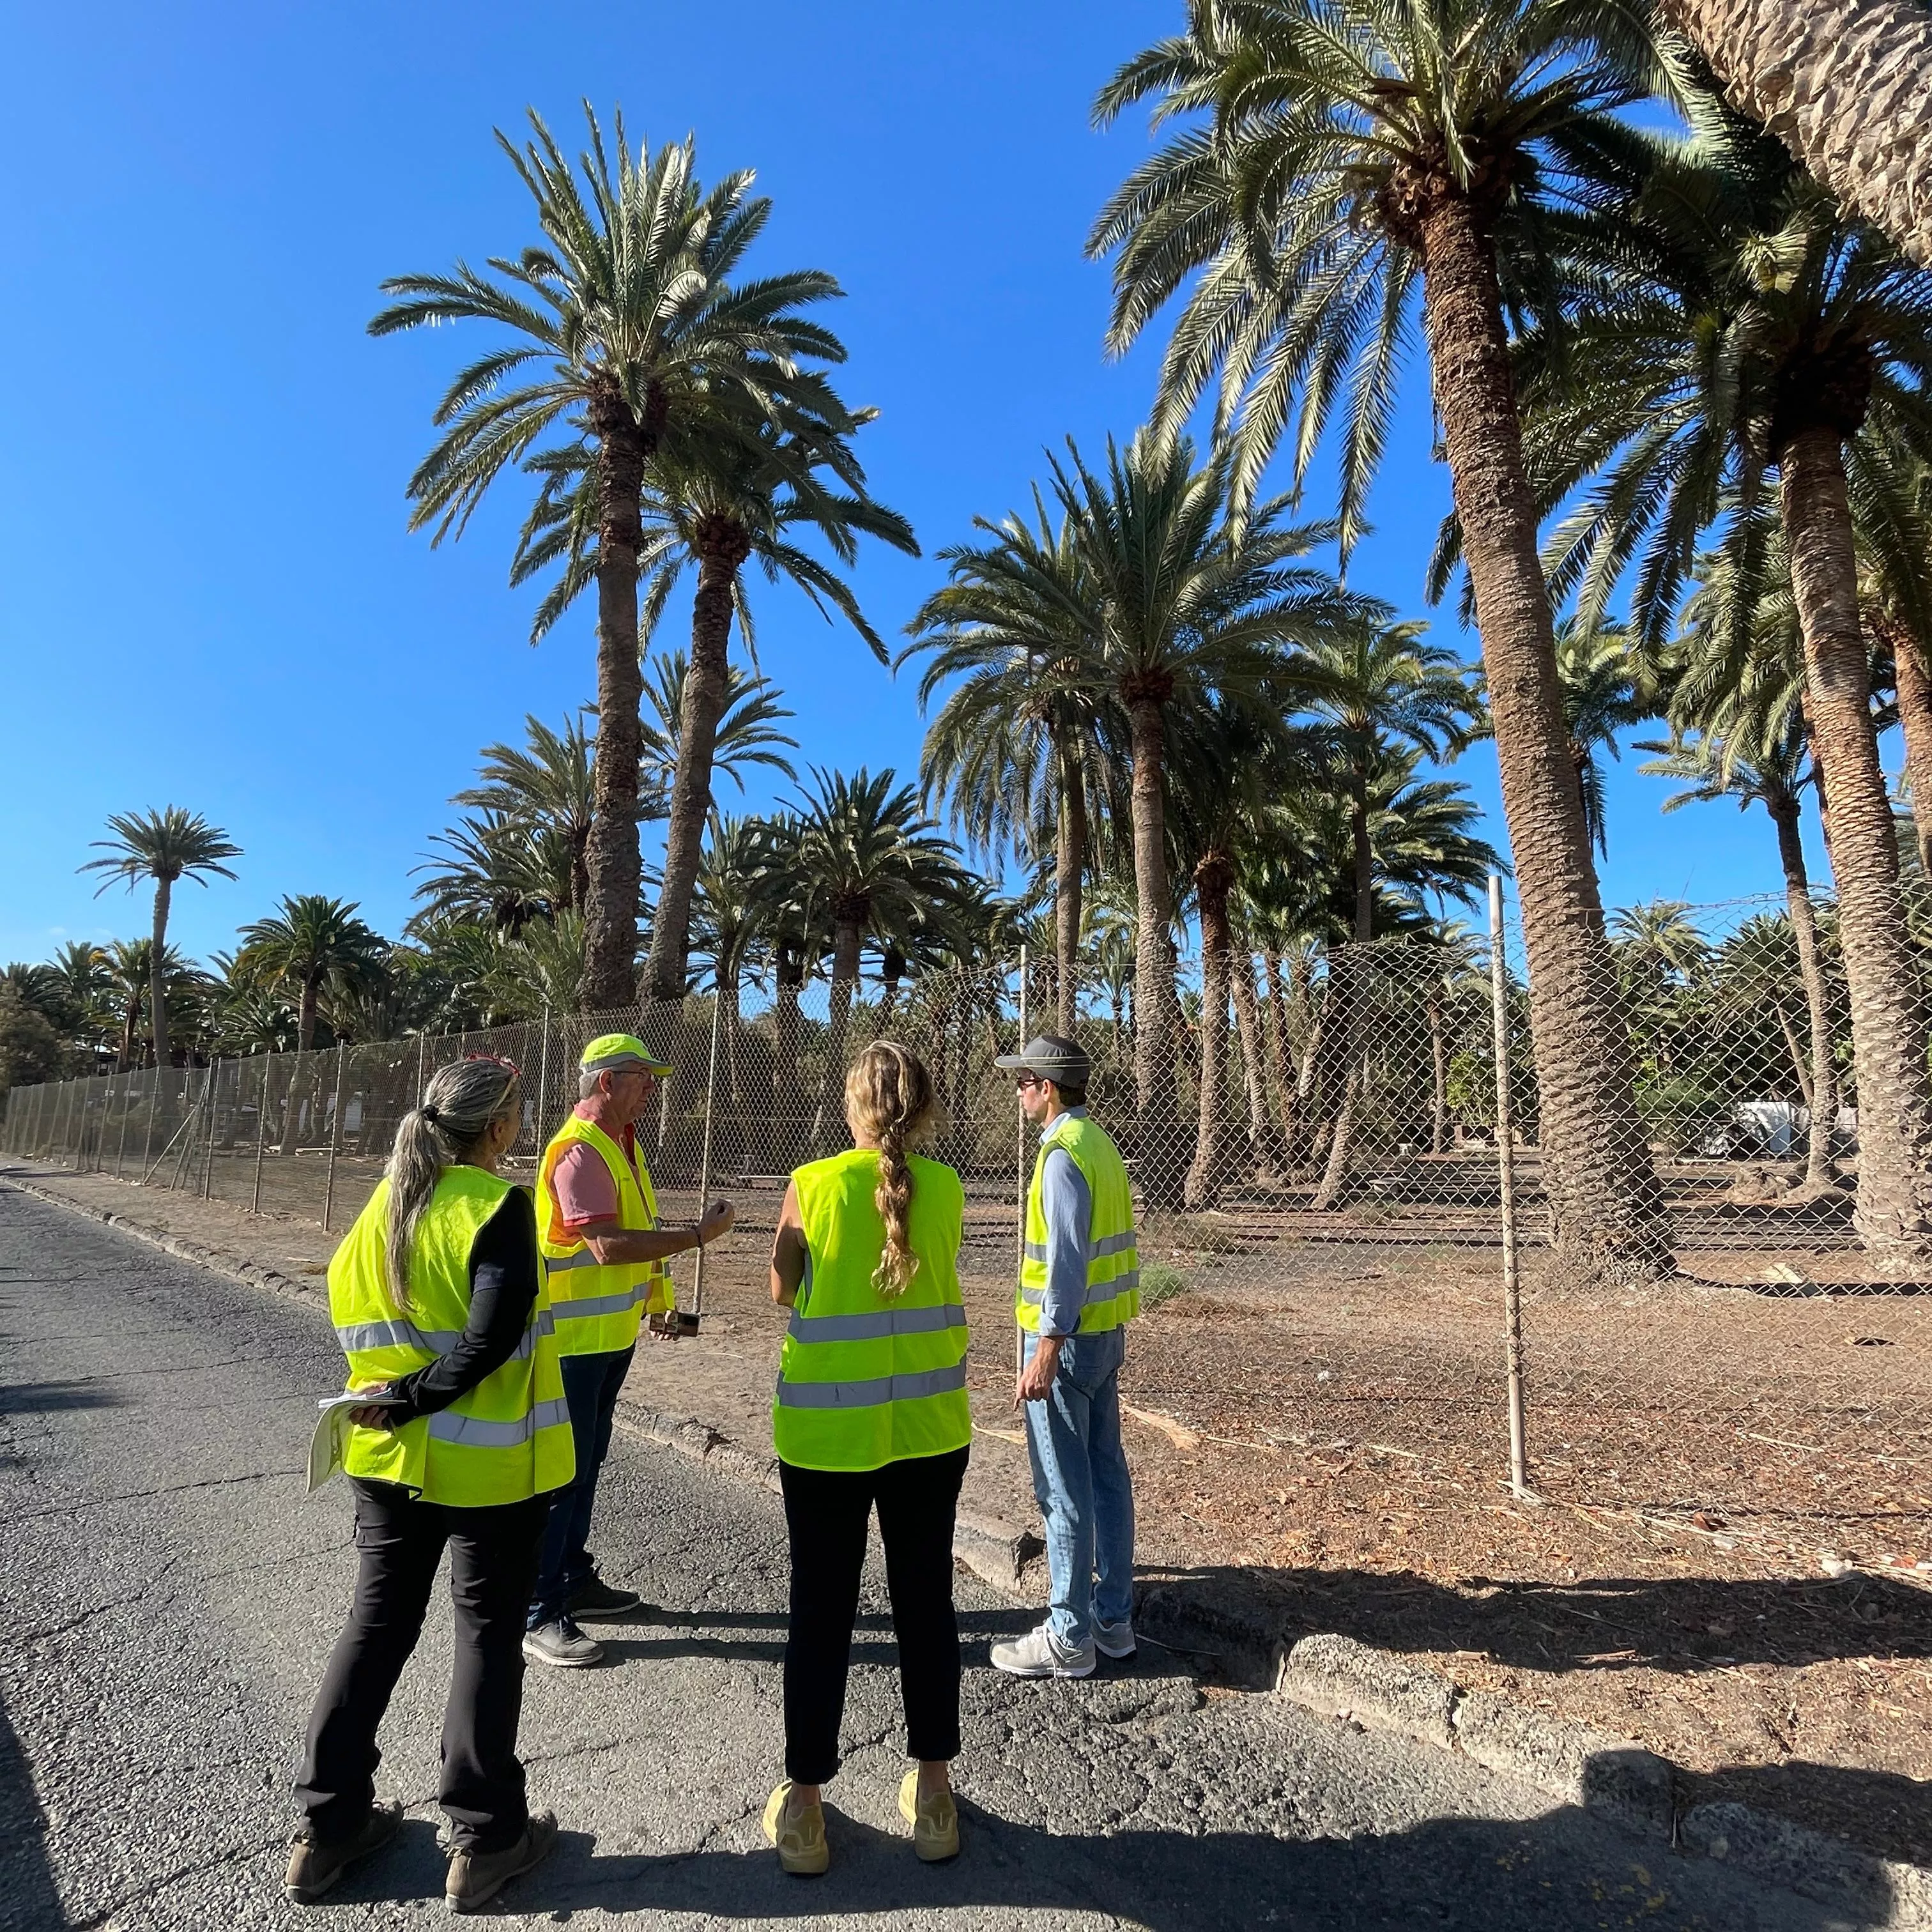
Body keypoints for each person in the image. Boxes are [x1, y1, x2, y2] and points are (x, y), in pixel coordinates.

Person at [289, 1054, 572, 1916]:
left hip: (384, 1463)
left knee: (375, 1629)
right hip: (485, 1469)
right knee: (485, 1636)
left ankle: (326, 1829)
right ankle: (485, 1840)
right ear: (499, 1129)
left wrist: (394, 1406)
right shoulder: (495, 1205)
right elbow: (486, 1341)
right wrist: (414, 1401)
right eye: (518, 1112)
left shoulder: (379, 1209)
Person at [762, 1041, 972, 1876]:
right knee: (927, 1605)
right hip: (927, 1433)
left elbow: (782, 1289)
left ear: (853, 1109)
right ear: (922, 1112)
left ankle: (806, 1809)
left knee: (820, 1613)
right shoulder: (950, 1188)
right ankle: (933, 1795)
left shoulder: (814, 1186)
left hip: (824, 1440)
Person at [525, 1032, 735, 1667]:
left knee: (584, 1468)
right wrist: (699, 1235)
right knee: (563, 1474)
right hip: (572, 1343)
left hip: (607, 1338)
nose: (653, 1087)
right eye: (643, 1077)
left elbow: (631, 1241)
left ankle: (573, 1580)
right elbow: (609, 1247)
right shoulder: (581, 1150)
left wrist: (656, 1306)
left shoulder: (621, 1144)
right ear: (608, 1082)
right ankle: (539, 1611)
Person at [988, 1034, 1140, 1680]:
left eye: (1024, 1081)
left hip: (1068, 1344)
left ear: (1047, 1088)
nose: (1019, 1092)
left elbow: (1068, 1265)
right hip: (1104, 1338)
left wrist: (1045, 1349)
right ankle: (1112, 1619)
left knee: (1063, 1489)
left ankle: (1069, 1636)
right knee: (1107, 1476)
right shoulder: (1098, 1144)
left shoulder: (1059, 1156)